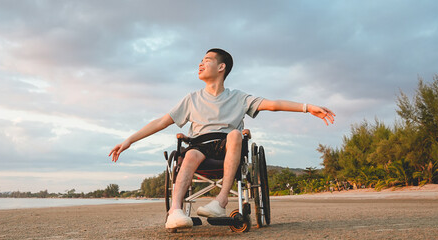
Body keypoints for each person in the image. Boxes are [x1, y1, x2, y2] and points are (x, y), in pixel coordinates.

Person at [109, 48, 335, 229]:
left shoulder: (238, 97)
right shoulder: (192, 99)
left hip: (228, 146)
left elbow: (273, 104)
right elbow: (161, 122)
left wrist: (307, 108)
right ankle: (175, 212)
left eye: (206, 60)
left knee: (236, 134)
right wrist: (130, 140)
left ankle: (221, 201)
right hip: (200, 146)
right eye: (200, 60)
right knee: (188, 156)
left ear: (221, 67)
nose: (200, 64)